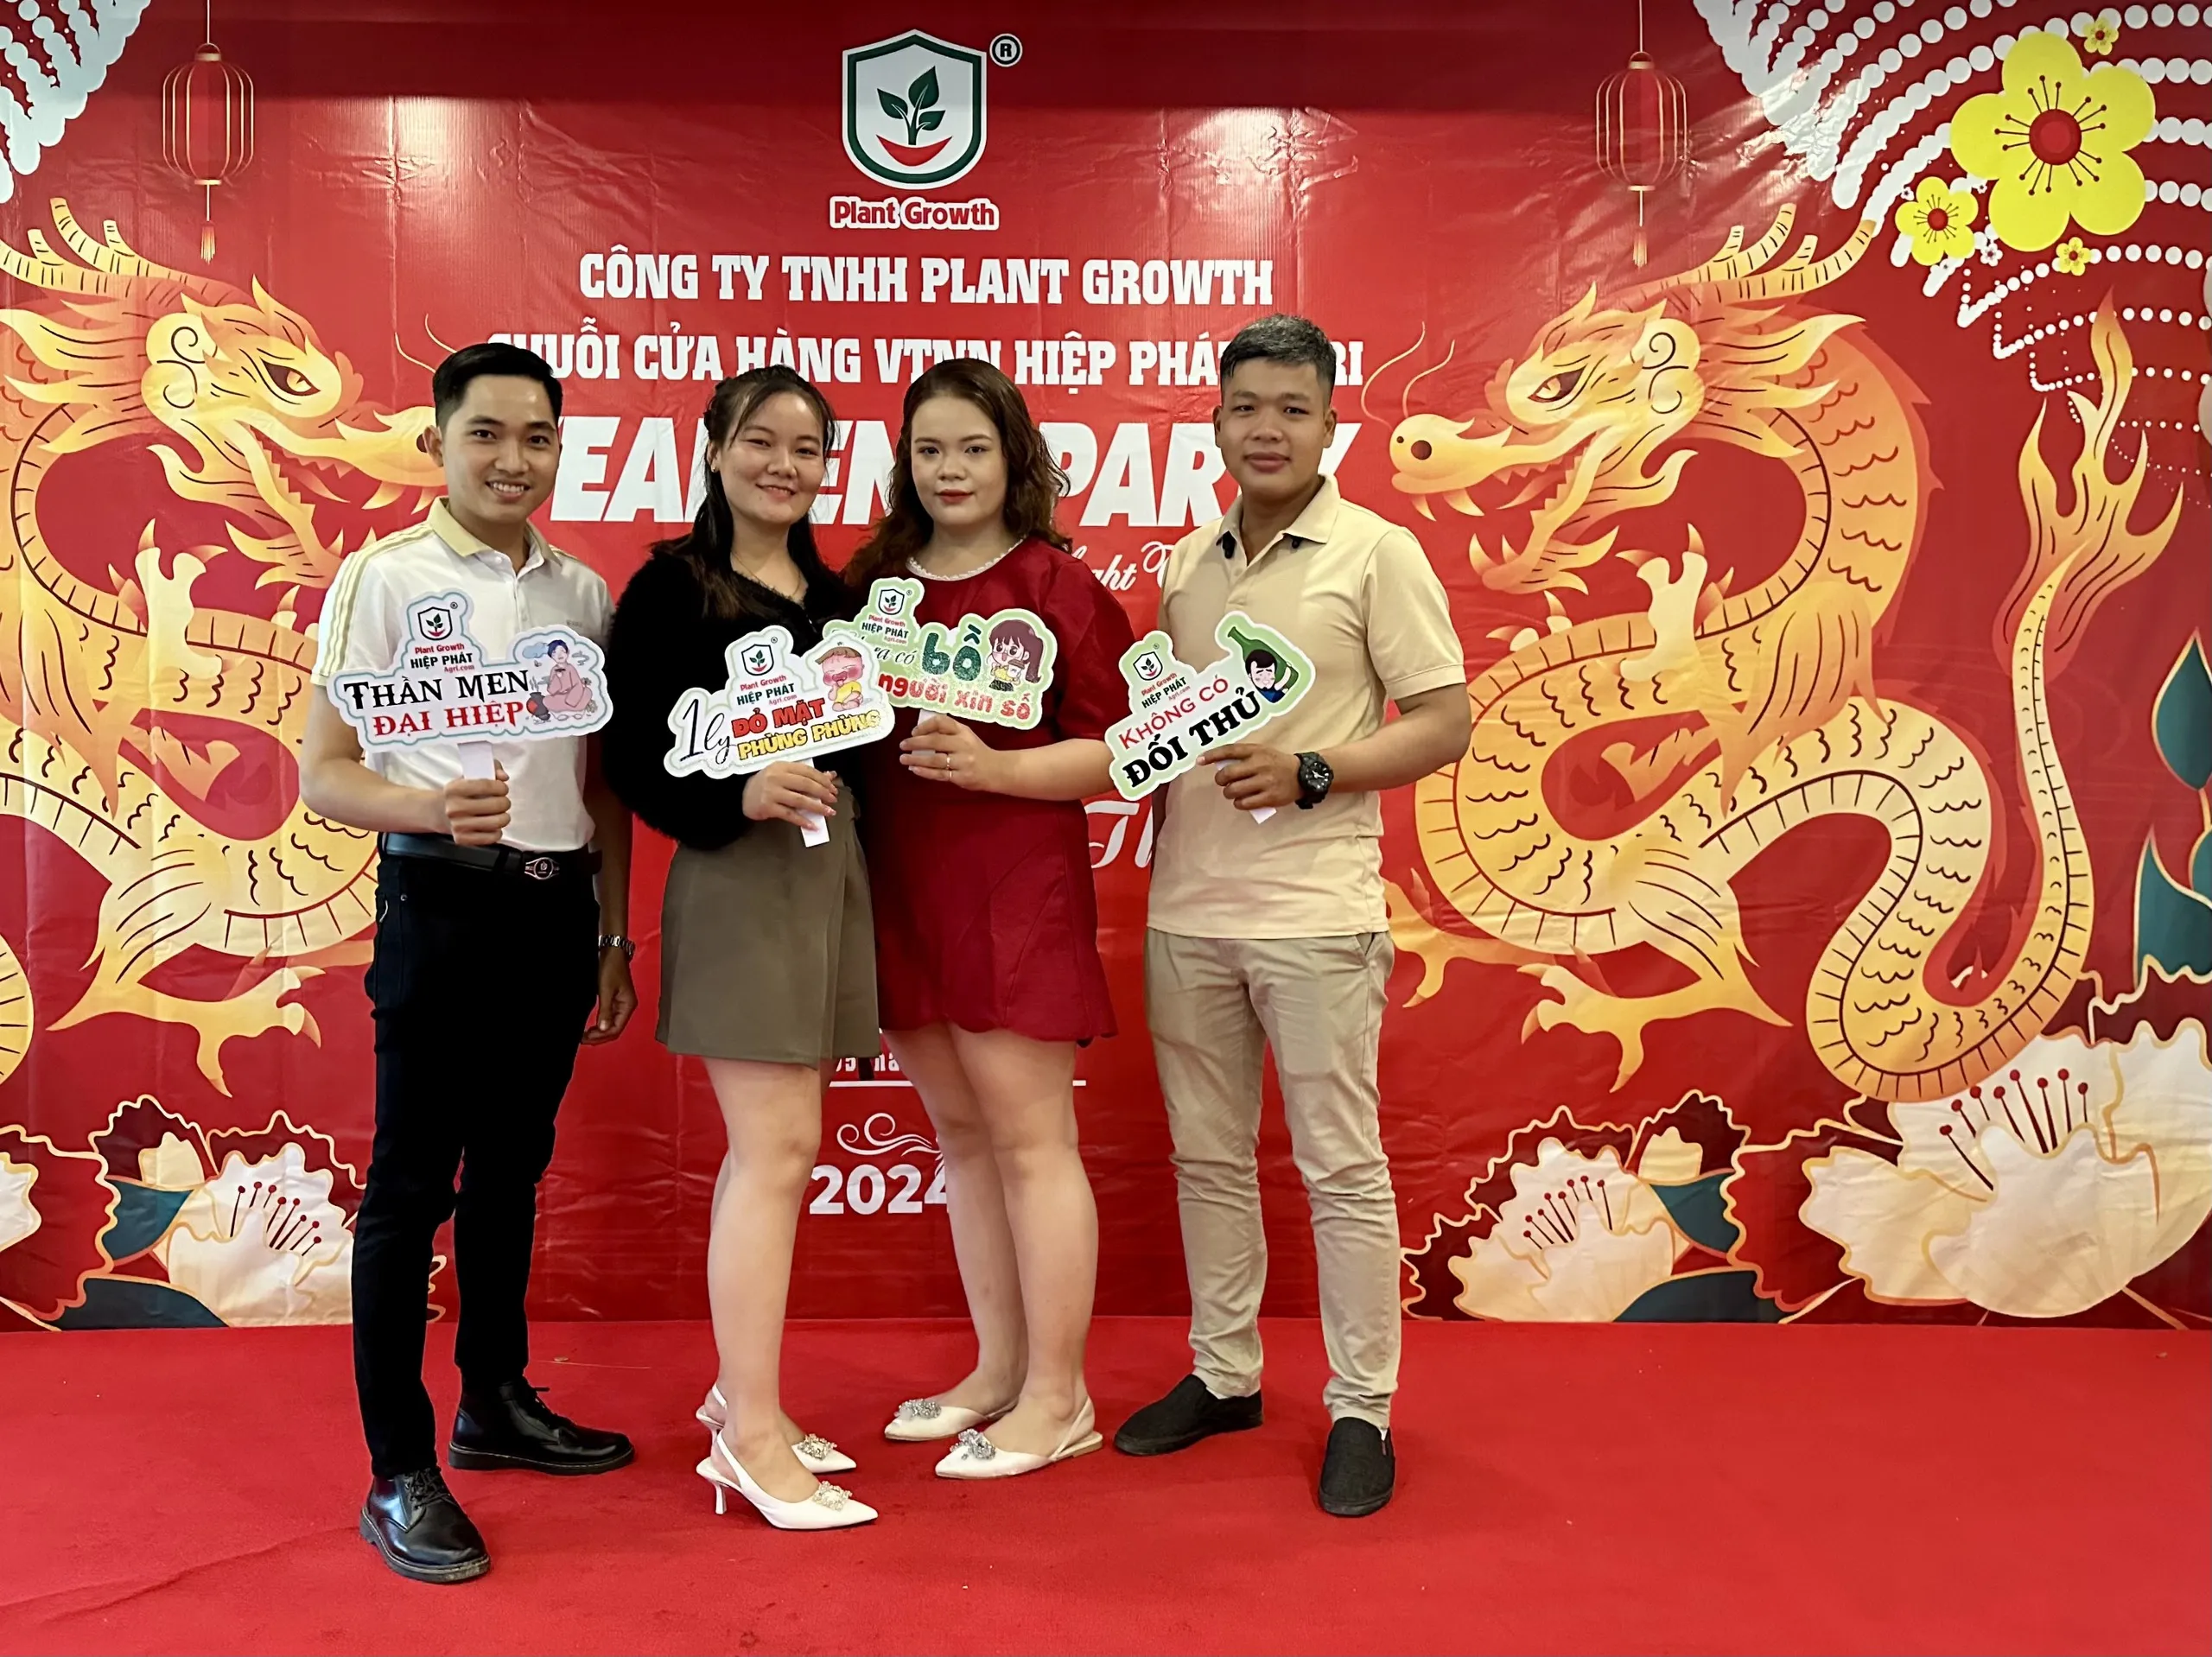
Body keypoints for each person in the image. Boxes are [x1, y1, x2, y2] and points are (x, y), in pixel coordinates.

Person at [1115, 314, 1471, 1518]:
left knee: (1340, 1167)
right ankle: (1226, 1374)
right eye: (1245, 408)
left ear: (1330, 425)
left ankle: (1363, 1404)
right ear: (1216, 423)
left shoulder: (1377, 553)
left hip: (1316, 913)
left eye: (1292, 409)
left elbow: (1445, 722)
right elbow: (1162, 731)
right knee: (1208, 1160)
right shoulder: (1187, 565)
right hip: (1187, 911)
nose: (1265, 430)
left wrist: (1316, 769)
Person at [300, 342, 640, 1584]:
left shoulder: (583, 594)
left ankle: (493, 1399)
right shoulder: (384, 578)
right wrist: (429, 809)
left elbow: (603, 787)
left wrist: (612, 933)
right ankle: (398, 1468)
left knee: (511, 1172)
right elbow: (323, 774)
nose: (513, 459)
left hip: (556, 914)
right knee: (408, 1188)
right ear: (437, 441)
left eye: (537, 437)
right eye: (487, 433)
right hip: (440, 904)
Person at [601, 366, 880, 1532]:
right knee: (779, 1150)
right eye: (761, 441)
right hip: (740, 882)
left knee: (773, 1153)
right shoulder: (671, 589)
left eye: (807, 449)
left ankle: (740, 1398)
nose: (784, 465)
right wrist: (736, 789)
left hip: (828, 879)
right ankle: (753, 1444)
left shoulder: (839, 596)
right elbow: (628, 757)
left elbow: (858, 731)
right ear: (714, 449)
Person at [850, 359, 1135, 1479]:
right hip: (900, 889)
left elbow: (1121, 751)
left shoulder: (1060, 587)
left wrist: (996, 768)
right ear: (905, 463)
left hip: (1015, 892)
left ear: (1015, 458)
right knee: (963, 1142)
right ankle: (1000, 1369)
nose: (951, 469)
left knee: (1031, 1142)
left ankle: (1061, 1396)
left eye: (973, 447)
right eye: (930, 449)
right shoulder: (875, 584)